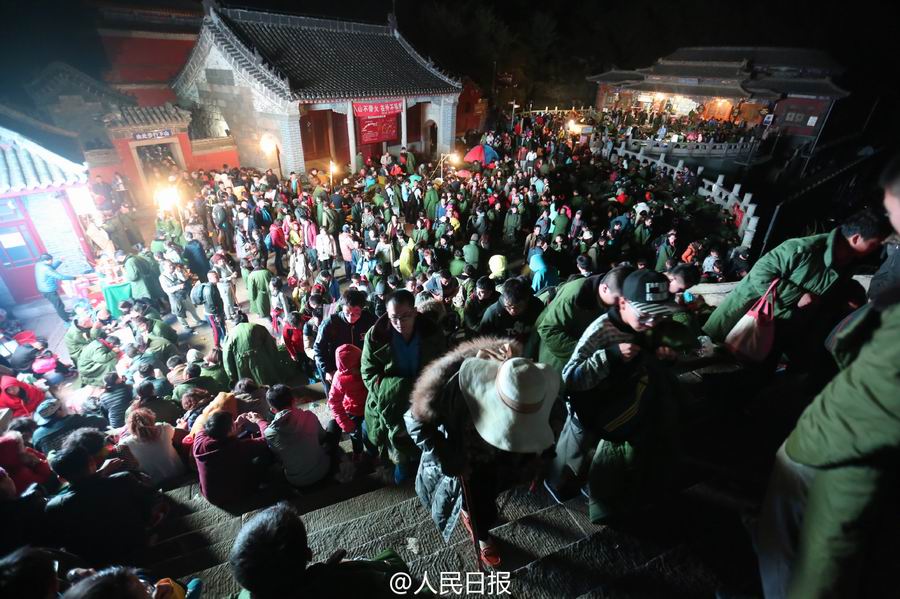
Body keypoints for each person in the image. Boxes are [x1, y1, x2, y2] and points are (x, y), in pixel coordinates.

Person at [755, 158, 900, 599]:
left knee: (820, 551)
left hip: (846, 444)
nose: (889, 236)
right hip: (841, 432)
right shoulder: (803, 249)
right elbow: (760, 280)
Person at [405, 340, 559, 569]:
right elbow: (415, 421)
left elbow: (553, 418)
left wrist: (540, 459)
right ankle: (479, 529)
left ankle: (478, 518)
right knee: (479, 503)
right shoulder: (452, 385)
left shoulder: (532, 383)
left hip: (508, 457)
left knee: (493, 490)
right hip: (469, 458)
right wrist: (448, 457)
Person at [558, 269, 683, 523]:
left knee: (600, 454)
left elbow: (646, 356)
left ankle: (591, 483)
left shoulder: (647, 327)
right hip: (585, 412)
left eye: (658, 316)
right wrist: (610, 356)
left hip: (617, 408)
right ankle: (558, 488)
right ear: (623, 302)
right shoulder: (600, 330)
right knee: (571, 456)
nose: (651, 323)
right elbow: (570, 377)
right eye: (645, 315)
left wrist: (663, 357)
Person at [703, 209, 891, 365]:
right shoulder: (802, 249)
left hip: (777, 332)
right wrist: (797, 296)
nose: (877, 249)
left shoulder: (848, 263)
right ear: (856, 238)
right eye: (875, 244)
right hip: (745, 322)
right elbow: (761, 273)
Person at [228, 502, 410, 598]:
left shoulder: (243, 595)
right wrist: (350, 565)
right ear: (309, 554)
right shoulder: (345, 581)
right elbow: (397, 576)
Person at [362, 290, 446, 483]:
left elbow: (442, 365)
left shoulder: (432, 332)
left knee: (424, 449)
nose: (399, 323)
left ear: (415, 311)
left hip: (424, 404)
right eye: (394, 318)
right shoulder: (376, 336)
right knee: (400, 455)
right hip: (391, 407)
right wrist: (401, 388)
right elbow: (368, 373)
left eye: (405, 316)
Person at [45, 444, 163, 566]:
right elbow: (150, 502)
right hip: (137, 544)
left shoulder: (55, 507)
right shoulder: (123, 479)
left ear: (61, 479)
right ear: (92, 462)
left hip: (97, 563)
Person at [535, 265, 634, 373]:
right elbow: (548, 330)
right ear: (605, 288)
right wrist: (590, 353)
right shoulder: (576, 294)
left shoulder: (611, 300)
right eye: (620, 299)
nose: (623, 304)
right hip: (559, 362)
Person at [192, 409, 270, 506]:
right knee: (265, 454)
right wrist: (259, 421)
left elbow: (209, 429)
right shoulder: (236, 448)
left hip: (211, 496)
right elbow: (268, 438)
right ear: (230, 430)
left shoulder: (199, 441)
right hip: (235, 495)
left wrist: (236, 424)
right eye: (232, 424)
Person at [264, 384, 334, 488]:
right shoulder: (309, 415)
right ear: (294, 400)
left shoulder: (269, 432)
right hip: (323, 470)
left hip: (297, 481)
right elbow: (322, 437)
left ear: (273, 410)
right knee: (333, 424)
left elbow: (278, 455)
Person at [314, 289, 375, 394]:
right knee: (336, 396)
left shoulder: (369, 321)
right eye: (347, 312)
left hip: (361, 368)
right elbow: (318, 348)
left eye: (356, 313)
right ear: (342, 308)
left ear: (362, 309)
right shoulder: (330, 324)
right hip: (334, 369)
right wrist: (328, 370)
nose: (351, 317)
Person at [118, 407, 185, 486]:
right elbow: (182, 434)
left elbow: (131, 467)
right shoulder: (164, 428)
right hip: (179, 474)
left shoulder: (124, 444)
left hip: (155, 483)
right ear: (152, 418)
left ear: (129, 426)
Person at [327, 344, 369, 457]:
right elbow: (334, 402)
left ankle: (372, 454)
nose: (360, 367)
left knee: (369, 435)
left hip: (368, 409)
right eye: (357, 366)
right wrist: (345, 423)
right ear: (346, 369)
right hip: (352, 411)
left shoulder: (366, 369)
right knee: (355, 435)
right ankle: (358, 453)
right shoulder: (339, 379)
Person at [222, 312, 283, 386]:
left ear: (235, 324)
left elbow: (226, 357)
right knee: (268, 383)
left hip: (242, 365)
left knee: (248, 386)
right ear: (247, 320)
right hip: (262, 361)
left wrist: (231, 375)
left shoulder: (231, 334)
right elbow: (271, 346)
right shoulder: (258, 327)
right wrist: (275, 363)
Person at [478, 277, 544, 345]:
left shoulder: (537, 308)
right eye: (509, 307)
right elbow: (482, 340)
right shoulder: (493, 313)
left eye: (518, 307)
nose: (513, 311)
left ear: (526, 300)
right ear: (504, 299)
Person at [31, 398, 108, 454]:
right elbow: (103, 422)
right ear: (59, 410)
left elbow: (40, 451)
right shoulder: (76, 419)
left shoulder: (37, 436)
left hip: (63, 467)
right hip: (90, 459)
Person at [34, 253, 75, 322]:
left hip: (45, 288)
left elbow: (51, 268)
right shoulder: (46, 268)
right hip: (48, 290)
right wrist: (74, 278)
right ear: (45, 261)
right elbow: (60, 277)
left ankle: (65, 314)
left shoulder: (39, 264)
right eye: (51, 261)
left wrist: (60, 261)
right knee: (58, 305)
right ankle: (66, 320)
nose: (52, 262)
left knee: (60, 304)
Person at [202, 270, 228, 347]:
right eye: (215, 277)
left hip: (217, 312)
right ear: (210, 278)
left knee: (221, 327)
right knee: (217, 330)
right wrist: (217, 316)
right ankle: (217, 346)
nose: (217, 277)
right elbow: (211, 305)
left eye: (217, 275)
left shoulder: (214, 285)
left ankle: (224, 340)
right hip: (212, 314)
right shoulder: (209, 289)